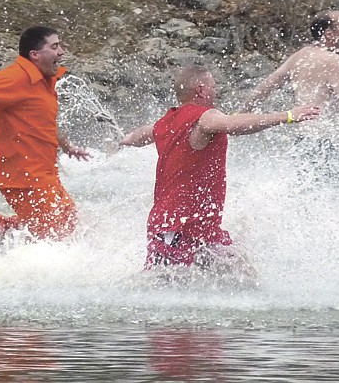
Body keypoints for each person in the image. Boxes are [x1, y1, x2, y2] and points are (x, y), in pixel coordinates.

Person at [120, 65, 320, 270]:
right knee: (163, 287)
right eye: (213, 86)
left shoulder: (165, 122)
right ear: (200, 90)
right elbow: (233, 123)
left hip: (202, 229)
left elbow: (140, 135)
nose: (216, 91)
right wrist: (287, 115)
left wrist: (124, 140)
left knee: (241, 269)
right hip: (175, 226)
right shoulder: (204, 117)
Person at [0, 26, 90, 241]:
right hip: (22, 177)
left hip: (44, 173)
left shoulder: (45, 80)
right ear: (34, 55)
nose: (61, 52)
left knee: (69, 221)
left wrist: (67, 146)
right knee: (57, 237)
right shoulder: (14, 78)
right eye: (55, 47)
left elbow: (44, 121)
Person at [242, 9, 339, 112]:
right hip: (324, 140)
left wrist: (241, 115)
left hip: (302, 137)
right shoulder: (331, 59)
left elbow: (264, 88)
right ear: (329, 34)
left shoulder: (301, 55)